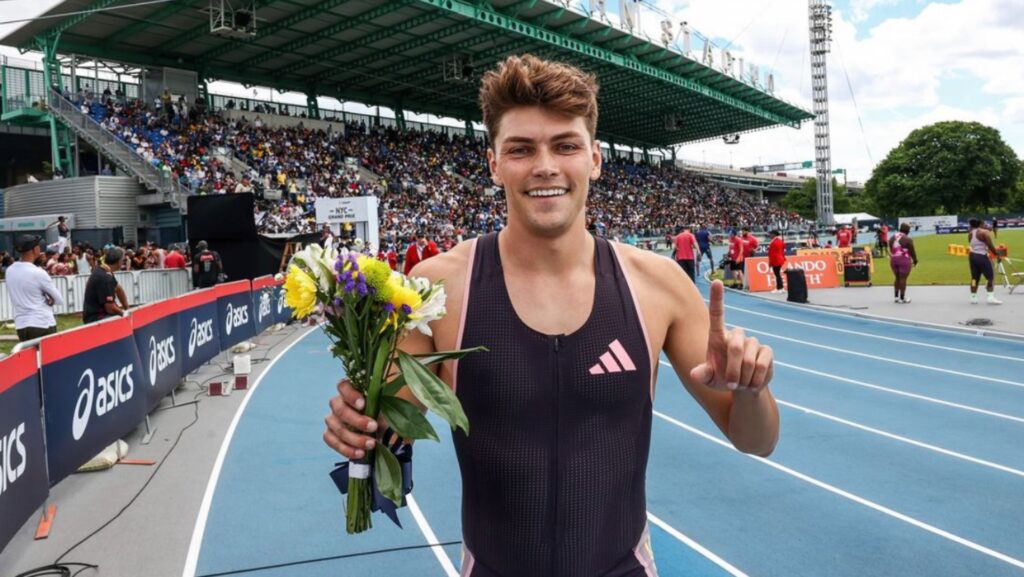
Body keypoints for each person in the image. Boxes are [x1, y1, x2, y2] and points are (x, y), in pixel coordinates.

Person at [324, 54, 778, 577]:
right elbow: (387, 430)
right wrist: (357, 425)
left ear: (595, 159)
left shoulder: (657, 285)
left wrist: (750, 391)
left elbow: (757, 440)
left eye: (565, 145)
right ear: (494, 163)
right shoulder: (437, 287)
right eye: (521, 149)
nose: (545, 166)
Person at [5, 234, 64, 341]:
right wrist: (50, 298)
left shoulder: (10, 271)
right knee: (48, 357)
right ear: (35, 249)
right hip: (42, 323)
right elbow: (59, 299)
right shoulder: (38, 273)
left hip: (21, 325)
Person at [82, 247, 129, 324]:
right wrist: (124, 313)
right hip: (96, 317)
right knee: (123, 323)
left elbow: (118, 289)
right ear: (119, 261)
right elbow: (110, 309)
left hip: (93, 314)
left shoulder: (104, 270)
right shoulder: (105, 278)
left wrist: (127, 308)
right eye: (123, 260)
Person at [967, 218, 1002, 305]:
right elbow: (990, 245)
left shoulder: (971, 233)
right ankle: (990, 297)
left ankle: (973, 297)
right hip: (982, 256)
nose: (985, 226)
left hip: (972, 256)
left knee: (974, 278)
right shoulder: (984, 232)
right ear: (980, 225)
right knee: (990, 277)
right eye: (984, 224)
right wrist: (997, 254)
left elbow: (971, 243)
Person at [889, 223, 917, 304]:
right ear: (908, 231)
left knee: (897, 277)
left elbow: (891, 248)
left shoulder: (892, 238)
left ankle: (896, 297)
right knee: (903, 279)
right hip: (904, 260)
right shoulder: (908, 239)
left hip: (893, 259)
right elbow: (912, 251)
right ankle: (902, 298)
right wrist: (915, 260)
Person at [768, 230, 786, 294]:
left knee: (777, 274)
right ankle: (781, 288)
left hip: (776, 260)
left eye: (770, 234)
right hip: (779, 259)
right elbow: (783, 249)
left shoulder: (774, 242)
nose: (769, 235)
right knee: (778, 274)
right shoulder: (780, 241)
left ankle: (779, 288)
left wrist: (770, 263)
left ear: (774, 234)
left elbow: (772, 254)